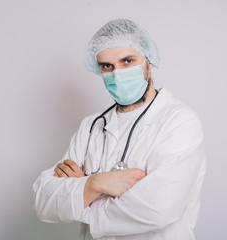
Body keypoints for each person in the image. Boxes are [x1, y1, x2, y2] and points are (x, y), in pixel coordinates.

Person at [33, 19, 206, 240]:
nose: (117, 74)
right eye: (107, 66)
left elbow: (157, 210)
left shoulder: (179, 122)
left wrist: (83, 195)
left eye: (127, 61)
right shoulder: (91, 126)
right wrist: (98, 182)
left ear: (149, 60)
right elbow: (44, 201)